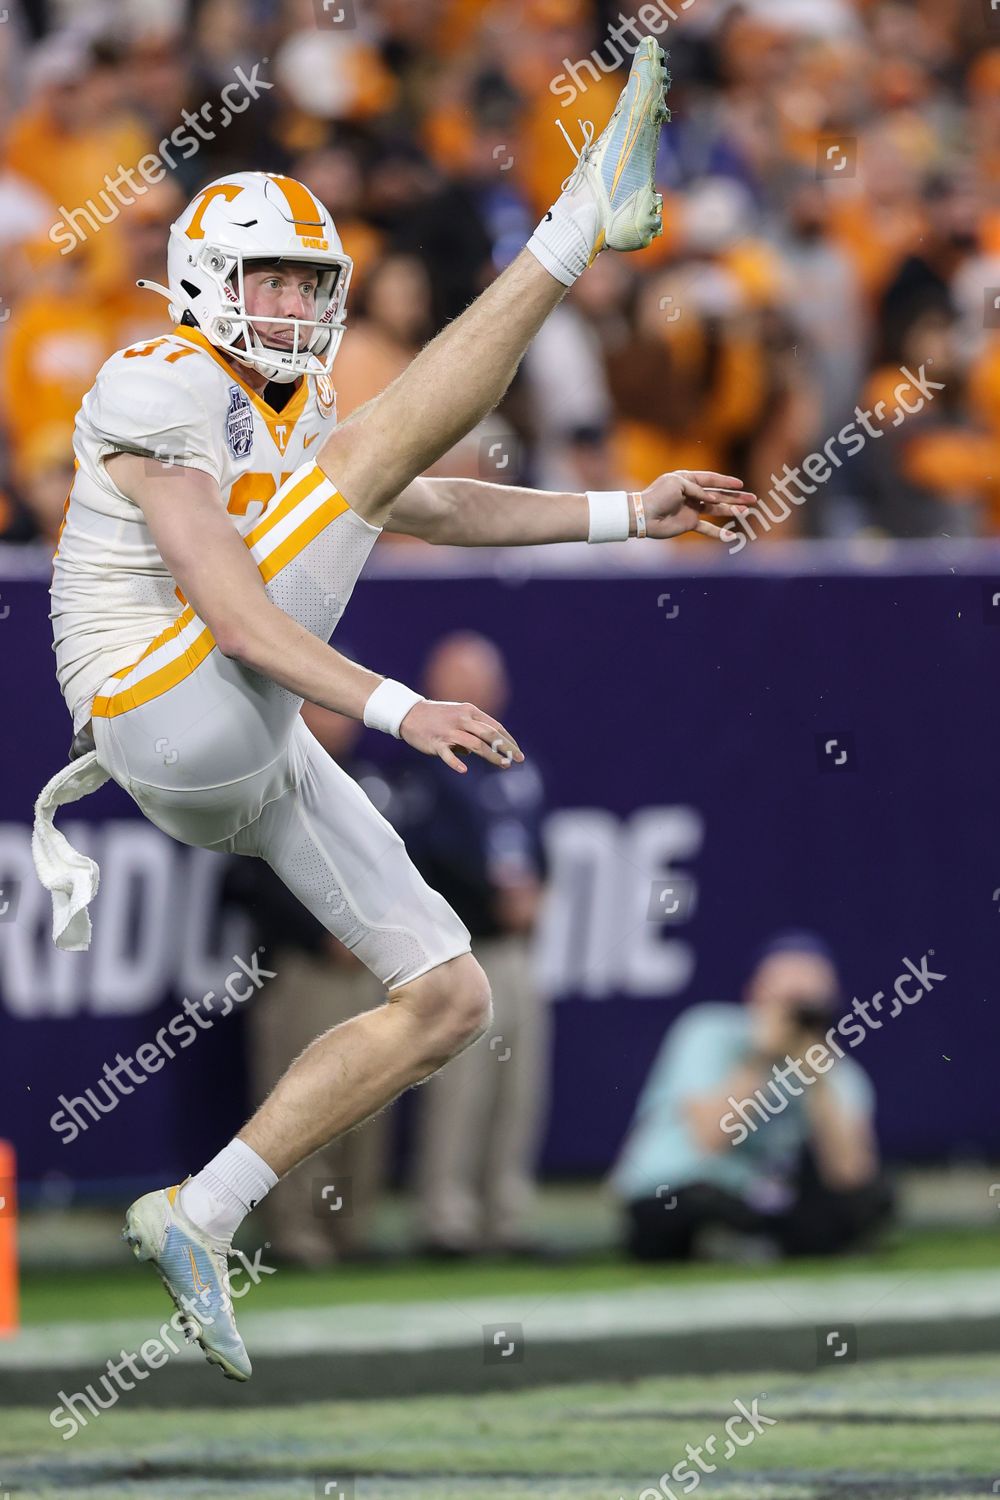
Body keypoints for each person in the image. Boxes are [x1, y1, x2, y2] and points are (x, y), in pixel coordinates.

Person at [32, 39, 752, 1381]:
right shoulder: (156, 379)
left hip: (246, 730)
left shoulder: (292, 409)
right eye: (269, 279)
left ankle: (203, 1210)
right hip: (161, 704)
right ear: (200, 279)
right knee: (368, 450)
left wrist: (624, 512)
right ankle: (575, 217)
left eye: (312, 282)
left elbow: (432, 497)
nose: (296, 305)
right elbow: (237, 606)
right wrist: (401, 703)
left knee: (449, 995)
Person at [224, 701, 393, 1268]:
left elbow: (400, 869)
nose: (342, 718)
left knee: (366, 1099)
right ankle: (293, 1233)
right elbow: (246, 879)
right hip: (301, 969)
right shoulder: (267, 775)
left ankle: (349, 1228)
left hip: (369, 965)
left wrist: (375, 935)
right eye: (325, 706)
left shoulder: (371, 781)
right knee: (298, 1101)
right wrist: (322, 935)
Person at [611, 932, 894, 1263]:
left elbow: (851, 1177)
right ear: (755, 996)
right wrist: (760, 1059)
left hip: (760, 1199)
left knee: (873, 1199)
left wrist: (817, 1082)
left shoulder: (839, 1072)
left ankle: (750, 1243)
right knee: (691, 1204)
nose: (796, 1018)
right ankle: (749, 1243)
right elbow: (710, 1137)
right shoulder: (707, 1032)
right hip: (682, 1188)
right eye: (787, 1003)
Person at [407, 633, 549, 1257]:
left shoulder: (516, 764)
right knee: (459, 1088)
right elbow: (422, 859)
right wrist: (494, 900)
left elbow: (536, 844)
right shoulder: (422, 768)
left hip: (515, 949)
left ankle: (506, 1216)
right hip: (455, 949)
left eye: (478, 683)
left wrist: (535, 892)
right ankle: (448, 1220)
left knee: (518, 1087)